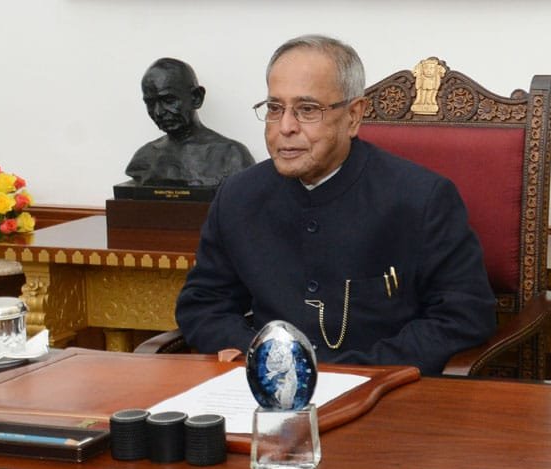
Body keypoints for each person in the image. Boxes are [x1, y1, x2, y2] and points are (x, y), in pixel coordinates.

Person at [175, 35, 496, 376]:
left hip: (386, 394)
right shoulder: (238, 196)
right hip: (267, 392)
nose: (285, 127)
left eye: (307, 110)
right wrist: (262, 355)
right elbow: (204, 303)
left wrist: (351, 372)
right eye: (274, 108)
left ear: (354, 116)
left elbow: (464, 315)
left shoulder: (422, 198)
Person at [125, 58, 255, 187]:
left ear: (196, 98)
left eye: (169, 100)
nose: (158, 112)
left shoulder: (231, 155)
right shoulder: (143, 158)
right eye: (151, 103)